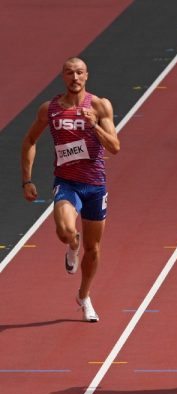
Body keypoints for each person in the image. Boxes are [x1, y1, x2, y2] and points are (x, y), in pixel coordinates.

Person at [20, 57, 120, 322]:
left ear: (86, 76)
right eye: (69, 73)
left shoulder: (99, 106)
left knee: (94, 249)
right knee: (65, 231)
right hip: (66, 182)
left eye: (79, 73)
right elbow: (30, 140)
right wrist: (27, 180)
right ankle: (71, 245)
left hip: (95, 186)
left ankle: (84, 296)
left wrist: (94, 125)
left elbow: (115, 147)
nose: (74, 78)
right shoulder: (49, 109)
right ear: (62, 77)